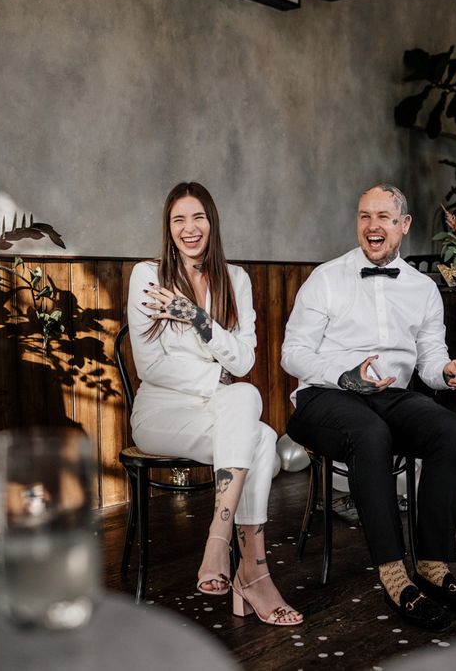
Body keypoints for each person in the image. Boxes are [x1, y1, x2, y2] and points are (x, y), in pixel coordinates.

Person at [281, 183, 456, 630]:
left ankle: (434, 567)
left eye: (382, 217)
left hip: (389, 395)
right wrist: (344, 374)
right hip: (324, 395)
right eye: (364, 216)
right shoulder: (326, 278)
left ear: (403, 225)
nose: (372, 226)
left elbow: (430, 358)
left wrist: (448, 371)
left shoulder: (422, 289)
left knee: (449, 431)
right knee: (369, 434)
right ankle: (395, 576)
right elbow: (292, 353)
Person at [126, 181, 302, 626]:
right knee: (253, 423)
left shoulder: (236, 279)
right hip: (160, 413)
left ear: (212, 222)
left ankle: (221, 543)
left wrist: (197, 318)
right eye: (179, 220)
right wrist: (217, 376)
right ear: (168, 229)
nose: (190, 229)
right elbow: (151, 366)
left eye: (198, 217)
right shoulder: (148, 276)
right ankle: (253, 573)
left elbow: (245, 360)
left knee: (249, 405)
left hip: (219, 409)